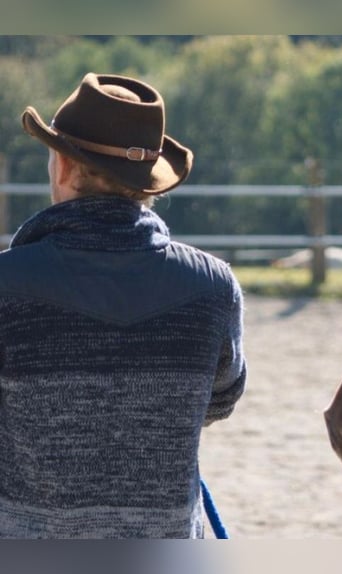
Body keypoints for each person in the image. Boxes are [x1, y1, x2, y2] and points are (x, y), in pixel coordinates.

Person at [0, 73, 246, 538]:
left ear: (65, 168)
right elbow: (220, 398)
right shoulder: (213, 289)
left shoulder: (7, 287)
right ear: (148, 182)